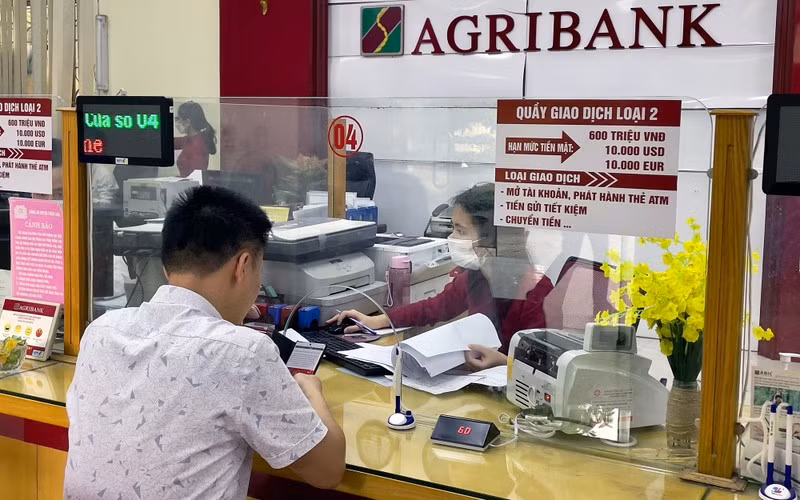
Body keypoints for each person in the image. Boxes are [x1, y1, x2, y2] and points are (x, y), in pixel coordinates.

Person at [65, 186, 345, 498]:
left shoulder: (100, 331)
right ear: (242, 266)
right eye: (258, 272)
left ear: (167, 268)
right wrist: (311, 390)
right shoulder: (243, 354)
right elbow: (328, 470)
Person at [331, 183, 553, 370]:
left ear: (492, 239)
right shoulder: (476, 277)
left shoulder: (535, 291)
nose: (451, 237)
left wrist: (505, 363)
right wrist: (376, 321)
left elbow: (543, 364)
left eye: (460, 230)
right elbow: (432, 307)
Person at [175, 101, 217, 177]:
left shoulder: (197, 146)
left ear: (187, 122)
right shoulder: (190, 139)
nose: (176, 122)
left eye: (178, 119)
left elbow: (196, 178)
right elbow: (169, 143)